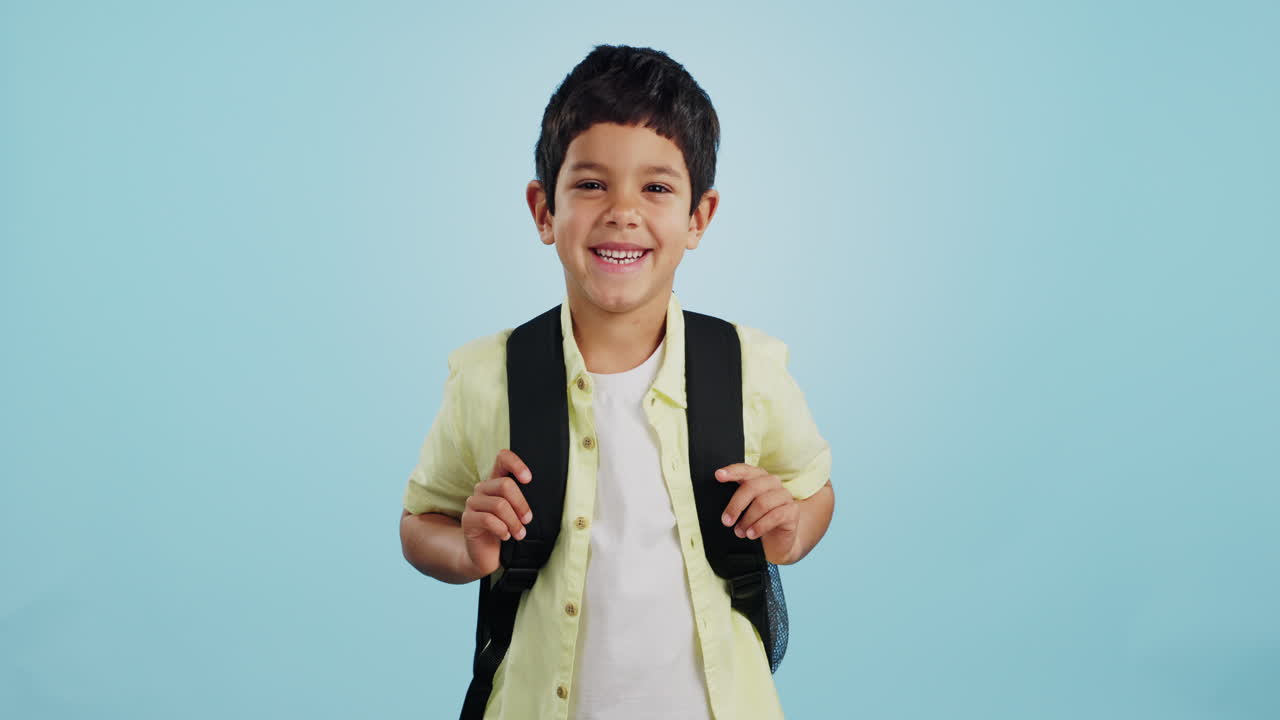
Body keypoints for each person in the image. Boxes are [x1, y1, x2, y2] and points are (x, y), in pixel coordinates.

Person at [399, 44, 835, 720]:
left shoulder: (751, 368)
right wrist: (467, 547)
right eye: (591, 184)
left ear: (700, 216)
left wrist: (793, 528)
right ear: (544, 210)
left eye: (656, 187)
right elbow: (418, 523)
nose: (623, 211)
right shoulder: (490, 377)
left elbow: (814, 492)